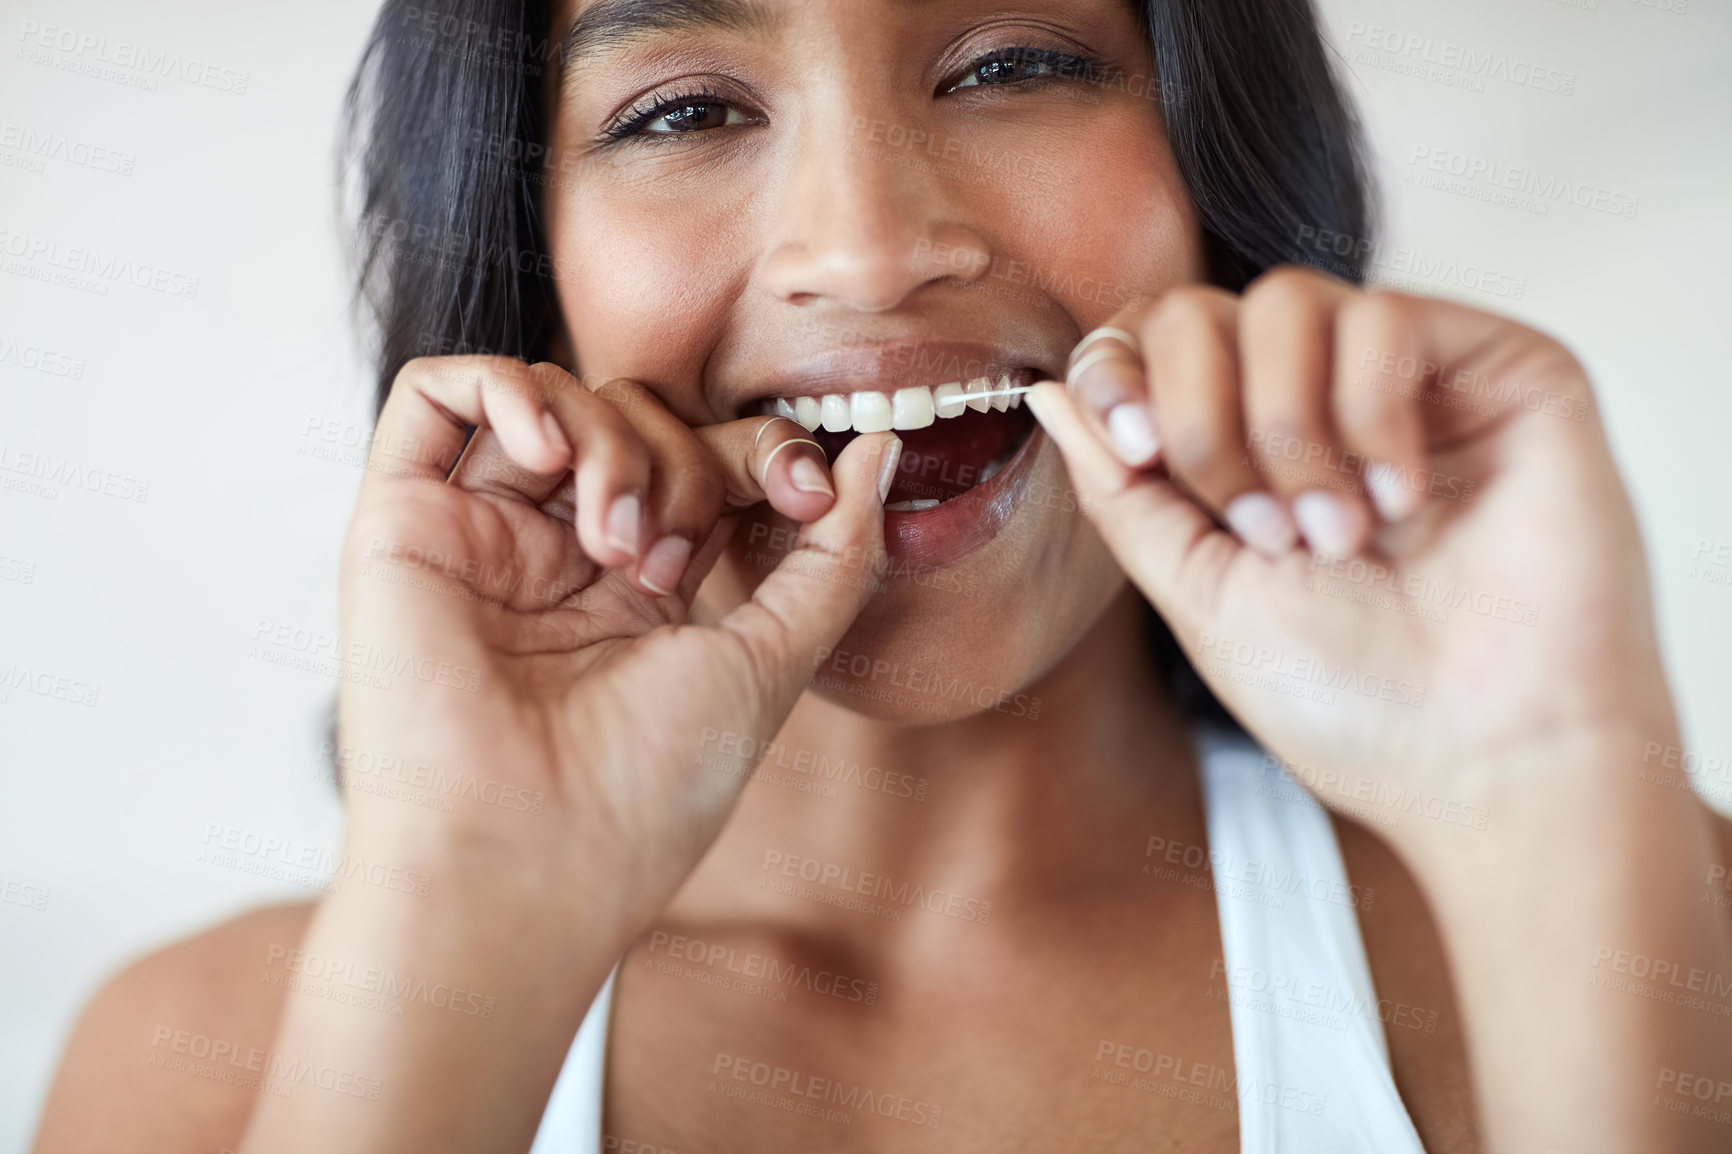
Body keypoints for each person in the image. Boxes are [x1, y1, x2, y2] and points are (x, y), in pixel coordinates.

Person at [32, 0, 1732, 1151]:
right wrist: (460, 929)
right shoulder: (211, 1064)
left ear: (1221, 177)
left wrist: (1556, 810)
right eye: (684, 106)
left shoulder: (1627, 910)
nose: (864, 244)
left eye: (1010, 63)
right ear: (529, 271)